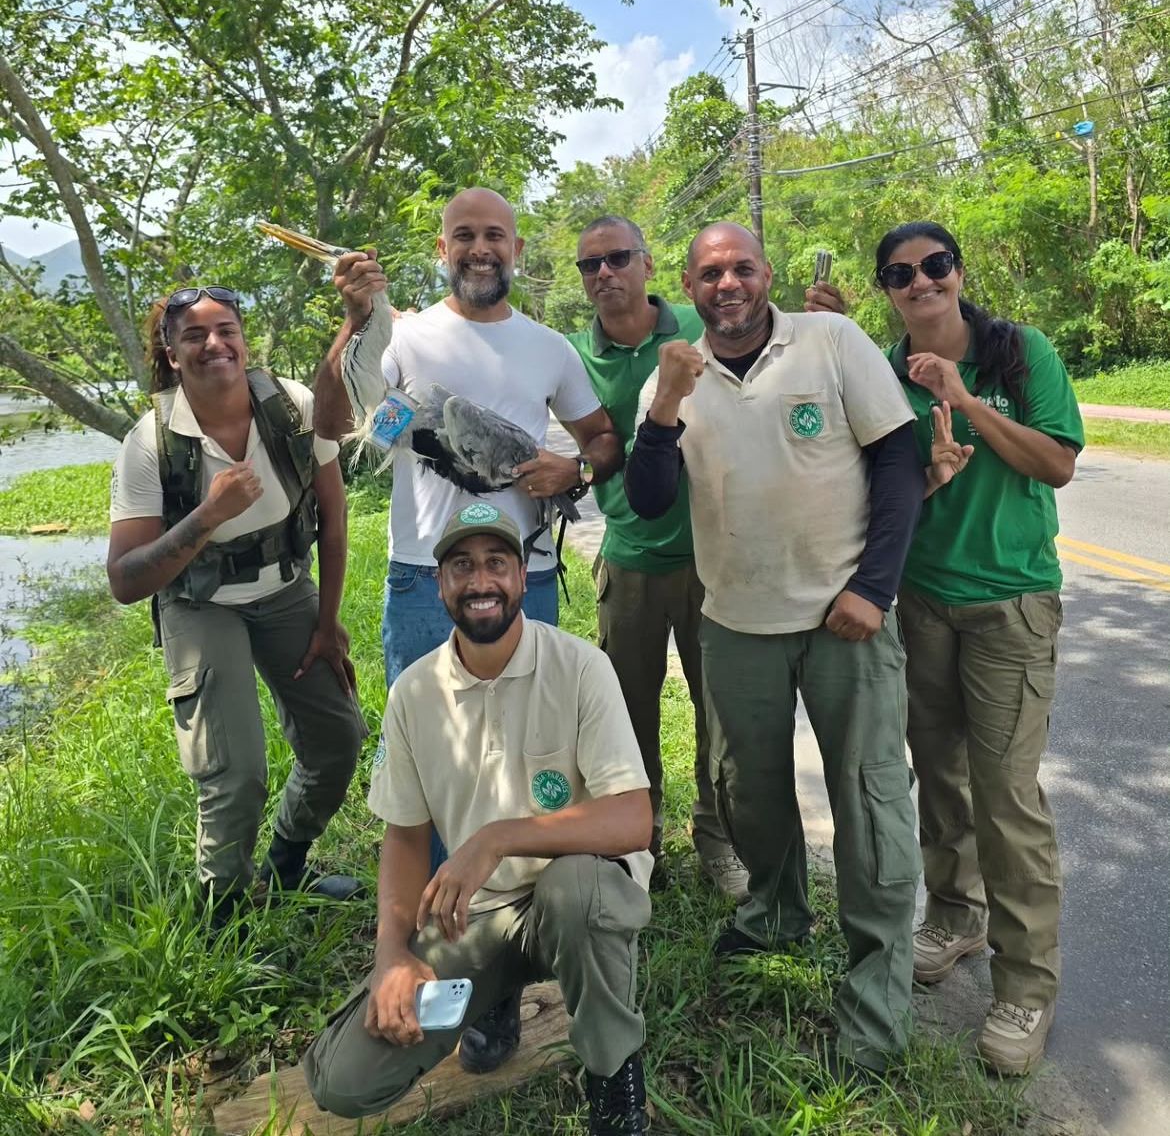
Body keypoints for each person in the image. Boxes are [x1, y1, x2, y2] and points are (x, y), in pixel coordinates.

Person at [313, 187, 623, 1072]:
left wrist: (574, 460)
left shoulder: (549, 347)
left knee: (533, 768)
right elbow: (337, 422)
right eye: (464, 236)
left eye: (495, 236)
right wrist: (354, 320)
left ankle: (517, 964)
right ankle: (446, 970)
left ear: (517, 249)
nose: (480, 248)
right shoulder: (400, 335)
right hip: (424, 579)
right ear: (441, 247)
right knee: (438, 781)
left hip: (526, 572)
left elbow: (602, 440)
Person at [625, 222, 927, 1077]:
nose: (728, 284)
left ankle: (875, 997)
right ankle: (776, 912)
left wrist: (873, 587)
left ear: (767, 276)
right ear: (686, 284)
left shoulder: (830, 341)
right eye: (710, 272)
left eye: (742, 268)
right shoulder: (674, 374)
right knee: (747, 790)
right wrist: (664, 404)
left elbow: (899, 461)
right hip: (737, 625)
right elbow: (648, 501)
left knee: (869, 804)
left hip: (845, 621)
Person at [303, 502, 654, 1135]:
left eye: (497, 563)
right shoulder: (414, 693)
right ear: (439, 584)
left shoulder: (580, 667)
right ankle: (493, 995)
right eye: (462, 566)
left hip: (574, 894)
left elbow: (632, 819)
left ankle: (615, 1081)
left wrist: (498, 837)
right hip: (478, 915)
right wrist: (391, 956)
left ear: (523, 578)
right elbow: (406, 836)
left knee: (577, 890)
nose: (480, 581)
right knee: (343, 1081)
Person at [869, 221, 1083, 1075]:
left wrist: (969, 399)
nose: (920, 282)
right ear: (886, 289)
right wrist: (930, 475)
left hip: (1010, 605)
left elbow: (1058, 464)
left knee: (1006, 796)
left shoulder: (1019, 353)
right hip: (924, 604)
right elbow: (888, 502)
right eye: (899, 273)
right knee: (941, 775)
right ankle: (955, 918)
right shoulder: (884, 377)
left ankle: (1026, 983)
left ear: (958, 273)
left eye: (934, 266)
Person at [106, 287, 368, 926]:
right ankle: (224, 917)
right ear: (171, 355)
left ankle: (284, 868)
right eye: (194, 336)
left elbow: (333, 523)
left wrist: (328, 622)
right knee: (235, 771)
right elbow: (125, 579)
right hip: (201, 604)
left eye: (226, 330)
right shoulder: (152, 442)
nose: (214, 344)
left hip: (286, 591)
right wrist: (209, 514)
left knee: (339, 738)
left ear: (244, 340)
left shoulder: (290, 407)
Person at [565, 214, 746, 900]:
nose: (605, 273)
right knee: (625, 716)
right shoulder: (572, 358)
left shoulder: (700, 333)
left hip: (713, 559)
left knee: (719, 712)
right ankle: (637, 841)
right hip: (629, 559)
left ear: (646, 265)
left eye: (617, 258)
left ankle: (718, 838)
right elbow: (581, 445)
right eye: (591, 265)